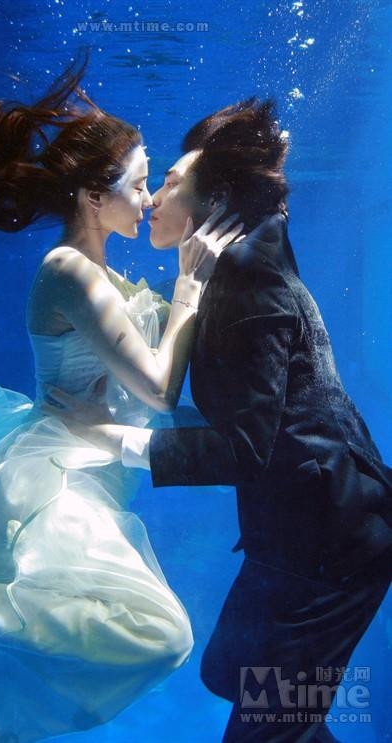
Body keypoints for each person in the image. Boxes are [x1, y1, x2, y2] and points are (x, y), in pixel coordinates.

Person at [0, 55, 245, 742]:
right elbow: (157, 387)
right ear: (92, 196)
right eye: (139, 185)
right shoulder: (68, 270)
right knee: (161, 633)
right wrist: (189, 288)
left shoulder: (104, 275)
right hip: (51, 478)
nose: (149, 199)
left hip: (91, 473)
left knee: (20, 677)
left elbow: (157, 392)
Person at [46, 97, 392, 742]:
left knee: (268, 723)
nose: (152, 198)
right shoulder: (238, 263)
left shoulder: (248, 275)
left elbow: (244, 449)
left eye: (170, 181)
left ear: (217, 199)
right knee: (232, 675)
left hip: (335, 544)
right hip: (295, 527)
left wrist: (108, 437)